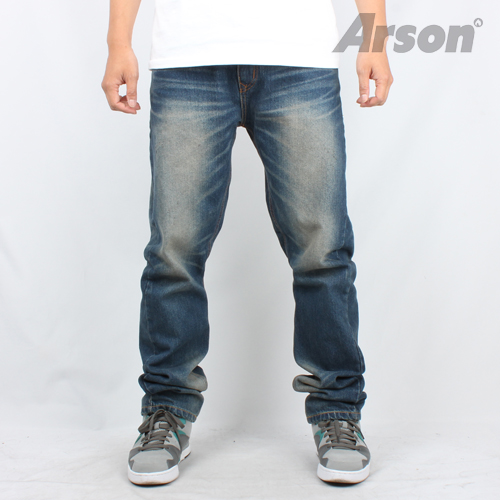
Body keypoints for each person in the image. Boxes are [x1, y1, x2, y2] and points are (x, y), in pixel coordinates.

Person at [101, 0, 393, 487]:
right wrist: (118, 42)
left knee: (323, 251)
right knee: (173, 253)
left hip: (299, 58)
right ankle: (166, 411)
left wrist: (375, 40)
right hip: (187, 59)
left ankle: (338, 414)